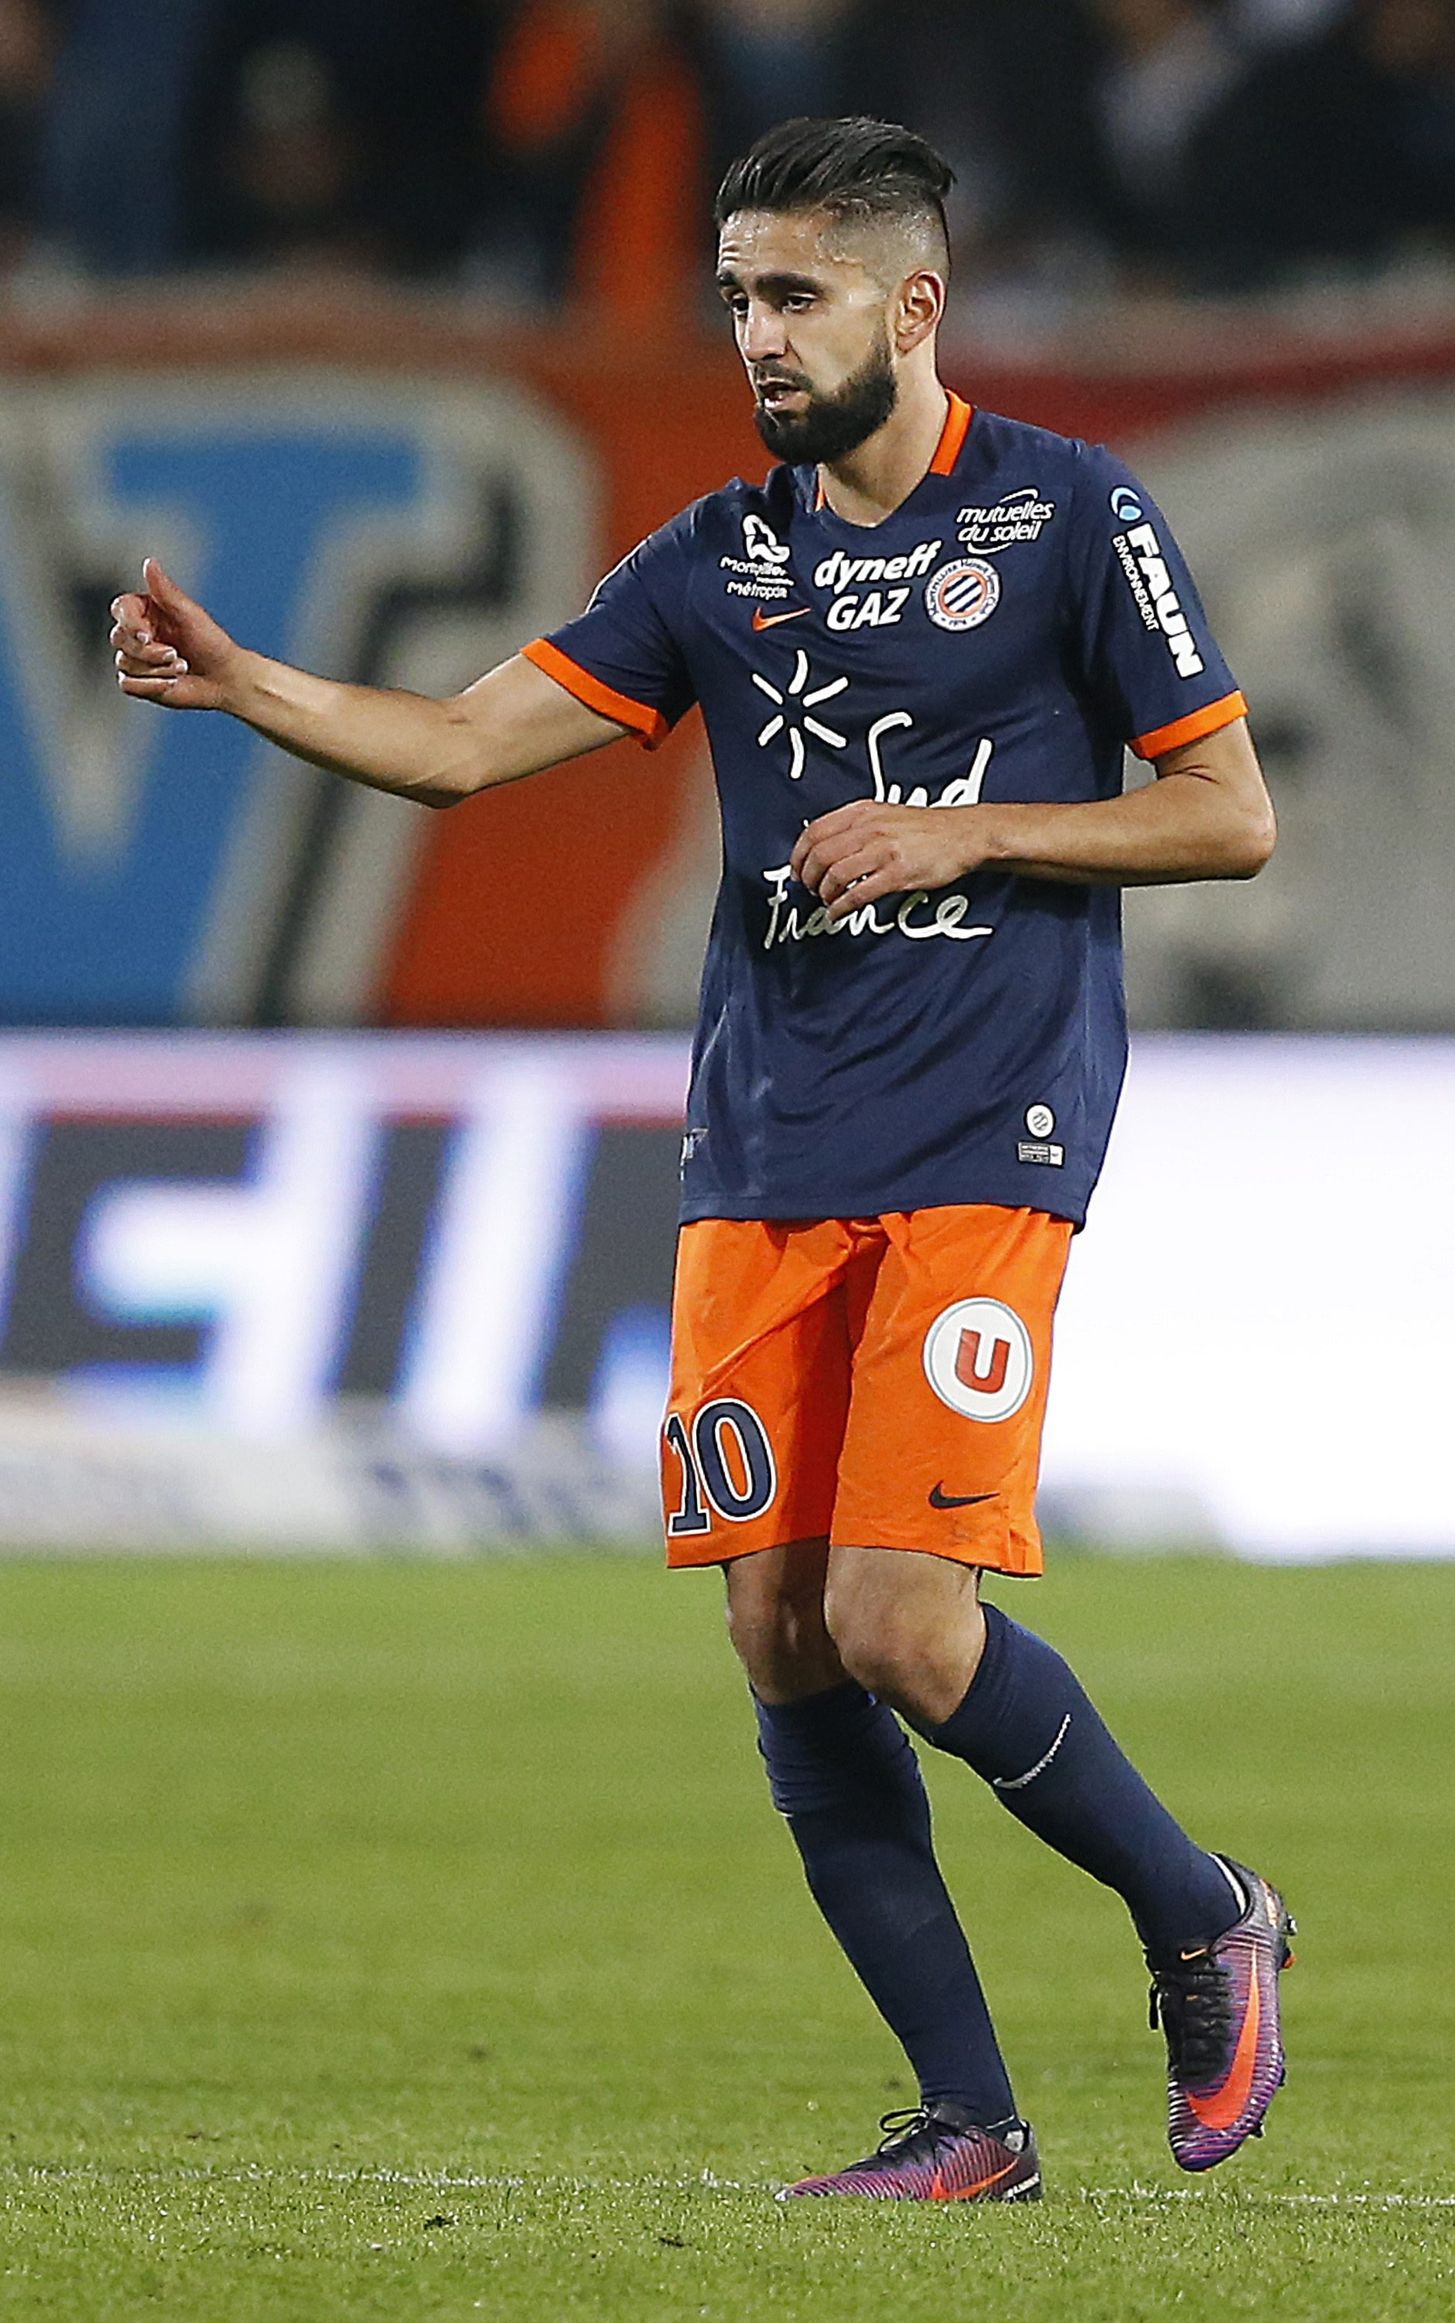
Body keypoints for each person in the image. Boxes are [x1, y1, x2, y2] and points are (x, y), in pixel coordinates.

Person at [108, 114, 1292, 2204]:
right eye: (736, 293)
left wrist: (969, 826)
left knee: (906, 1624)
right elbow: (469, 743)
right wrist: (245, 684)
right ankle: (966, 2122)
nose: (752, 331)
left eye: (792, 293)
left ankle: (1200, 1910)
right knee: (775, 1635)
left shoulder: (1066, 517)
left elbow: (1223, 814)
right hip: (762, 1142)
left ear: (909, 304)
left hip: (981, 1128)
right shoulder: (711, 564)